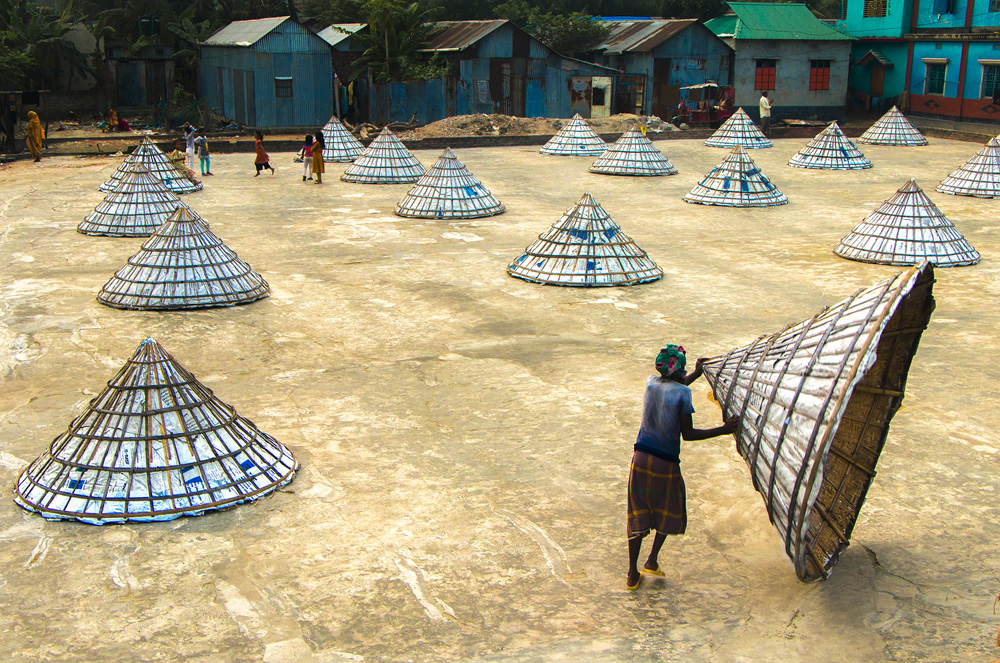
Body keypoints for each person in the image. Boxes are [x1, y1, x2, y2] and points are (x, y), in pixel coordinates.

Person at [625, 344, 737, 590]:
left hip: (641, 458)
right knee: (668, 506)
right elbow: (688, 434)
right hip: (665, 461)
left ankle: (632, 573)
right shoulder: (683, 395)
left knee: (638, 511)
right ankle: (652, 558)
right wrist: (724, 430)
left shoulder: (651, 384)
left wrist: (696, 374)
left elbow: (674, 387)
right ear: (679, 371)